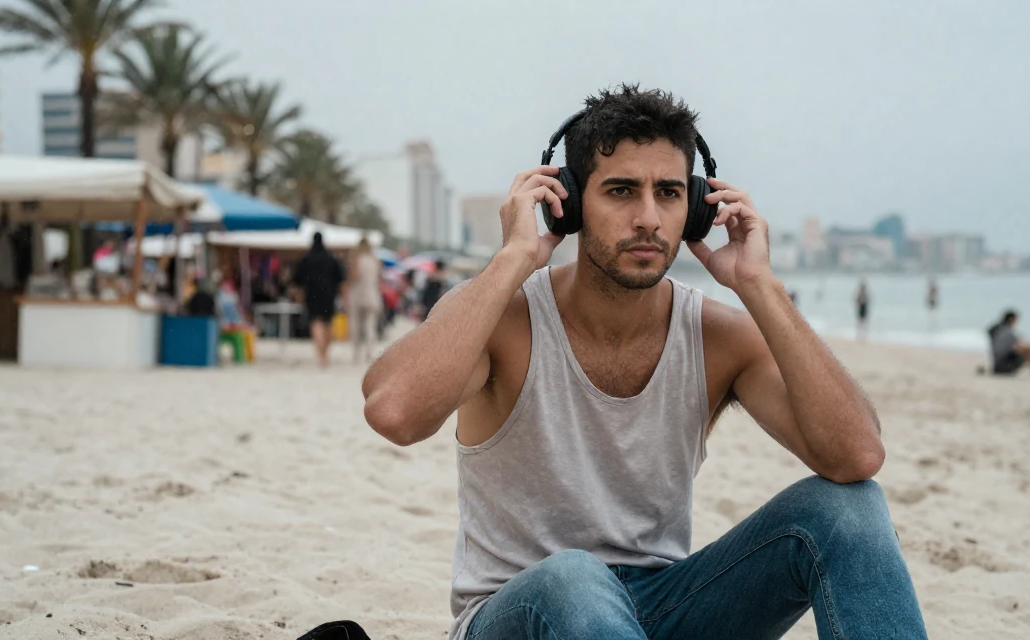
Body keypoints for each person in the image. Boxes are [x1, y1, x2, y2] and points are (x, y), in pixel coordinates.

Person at [363, 85, 925, 640]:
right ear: (570, 204)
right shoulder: (500, 320)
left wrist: (760, 286)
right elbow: (394, 412)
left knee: (847, 512)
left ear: (698, 208)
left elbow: (856, 456)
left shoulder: (718, 337)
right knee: (574, 579)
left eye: (670, 193)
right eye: (622, 191)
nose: (649, 218)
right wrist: (512, 260)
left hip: (661, 610)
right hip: (521, 612)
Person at [294, 232, 346, 368]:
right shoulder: (331, 258)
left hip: (312, 294)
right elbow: (341, 279)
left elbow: (297, 280)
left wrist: (299, 295)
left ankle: (321, 353)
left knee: (315, 322)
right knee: (328, 323)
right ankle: (325, 353)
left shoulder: (306, 258)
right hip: (329, 295)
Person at [346, 238, 383, 364]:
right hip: (372, 294)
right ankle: (370, 351)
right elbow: (379, 278)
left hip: (358, 294)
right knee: (370, 325)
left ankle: (356, 352)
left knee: (356, 325)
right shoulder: (375, 260)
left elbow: (354, 277)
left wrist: (348, 284)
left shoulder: (356, 260)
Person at [987, 309, 1030, 380]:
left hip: (997, 366)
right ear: (1011, 319)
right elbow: (1021, 344)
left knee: (1023, 350)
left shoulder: (998, 330)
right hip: (1003, 366)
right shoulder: (1007, 331)